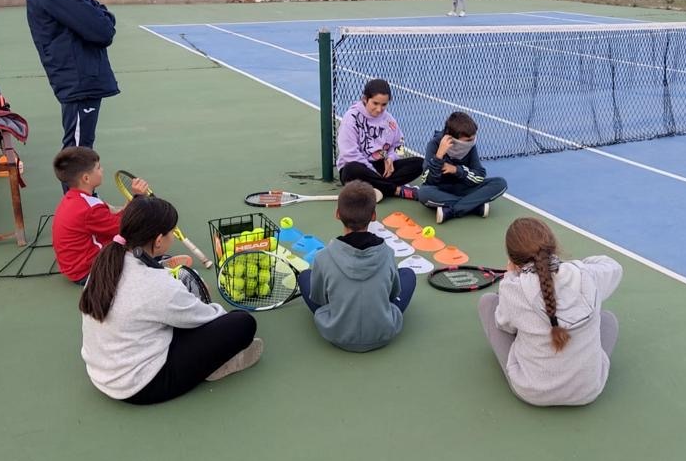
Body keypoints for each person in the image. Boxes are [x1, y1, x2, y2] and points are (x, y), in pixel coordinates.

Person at [80, 196, 261, 405]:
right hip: (141, 386)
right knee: (242, 323)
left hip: (102, 372)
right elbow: (211, 317)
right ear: (158, 241)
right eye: (172, 233)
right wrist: (199, 298)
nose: (173, 237)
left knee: (175, 318)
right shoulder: (157, 285)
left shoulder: (105, 263)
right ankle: (216, 366)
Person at [478, 218, 622, 406]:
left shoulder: (511, 288)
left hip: (532, 391)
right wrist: (575, 266)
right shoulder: (586, 275)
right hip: (588, 390)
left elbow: (504, 325)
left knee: (488, 302)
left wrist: (511, 275)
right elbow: (613, 266)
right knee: (608, 320)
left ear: (513, 260)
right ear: (553, 247)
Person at [27, 0, 118, 151]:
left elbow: (97, 14)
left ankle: (83, 189)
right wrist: (104, 17)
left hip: (77, 75)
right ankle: (75, 189)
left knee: (81, 145)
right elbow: (102, 30)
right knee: (78, 150)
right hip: (77, 78)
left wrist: (101, 15)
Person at [297, 181, 416, 352]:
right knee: (408, 274)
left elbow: (320, 299)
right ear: (373, 216)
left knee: (304, 276)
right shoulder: (388, 253)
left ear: (337, 214)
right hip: (383, 332)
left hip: (336, 334)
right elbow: (392, 295)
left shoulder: (323, 257)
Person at [51, 147, 188, 283]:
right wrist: (138, 197)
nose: (102, 170)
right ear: (86, 178)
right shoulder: (89, 209)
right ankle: (159, 269)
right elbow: (125, 226)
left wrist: (134, 199)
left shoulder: (76, 198)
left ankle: (155, 262)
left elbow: (116, 219)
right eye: (98, 168)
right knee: (137, 235)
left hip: (74, 267)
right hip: (88, 271)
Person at [336, 78, 423, 200]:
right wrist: (372, 172)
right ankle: (396, 190)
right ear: (365, 99)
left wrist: (391, 159)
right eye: (375, 103)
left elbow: (400, 145)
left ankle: (377, 186)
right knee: (351, 170)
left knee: (420, 163)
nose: (379, 109)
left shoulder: (389, 120)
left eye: (384, 105)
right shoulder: (351, 119)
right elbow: (349, 154)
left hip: (381, 166)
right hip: (359, 168)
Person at [419, 111, 508, 223]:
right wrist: (438, 156)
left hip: (464, 188)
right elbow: (427, 181)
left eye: (473, 139)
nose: (472, 142)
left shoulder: (470, 147)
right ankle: (475, 206)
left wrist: (456, 170)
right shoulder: (434, 145)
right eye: (468, 140)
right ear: (451, 138)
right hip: (441, 189)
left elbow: (479, 175)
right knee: (423, 193)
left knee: (500, 183)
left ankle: (452, 210)